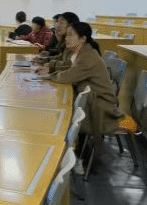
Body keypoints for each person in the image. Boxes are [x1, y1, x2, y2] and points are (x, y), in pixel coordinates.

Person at [46, 22, 125, 154]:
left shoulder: (88, 57)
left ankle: (64, 153)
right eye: (67, 35)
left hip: (103, 108)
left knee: (60, 116)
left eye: (70, 35)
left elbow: (67, 76)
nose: (66, 38)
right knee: (60, 106)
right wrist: (50, 72)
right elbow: (69, 70)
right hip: (93, 101)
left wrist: (47, 76)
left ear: (82, 39)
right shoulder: (82, 53)